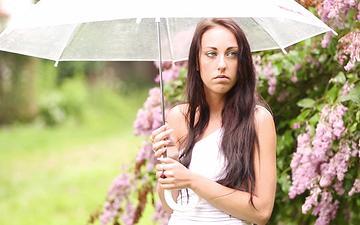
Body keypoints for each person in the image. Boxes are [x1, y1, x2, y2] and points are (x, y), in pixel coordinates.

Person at [150, 18, 277, 225]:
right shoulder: (179, 117)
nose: (222, 65)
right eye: (211, 54)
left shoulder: (258, 120)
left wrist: (191, 180)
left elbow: (261, 212)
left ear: (241, 63)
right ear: (197, 63)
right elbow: (169, 205)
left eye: (231, 54)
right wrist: (170, 161)